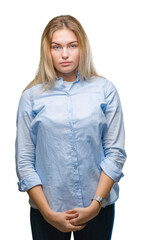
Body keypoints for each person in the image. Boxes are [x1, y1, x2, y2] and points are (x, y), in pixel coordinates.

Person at [15, 15, 127, 240]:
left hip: (98, 208)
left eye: (72, 46)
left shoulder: (105, 90)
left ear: (82, 48)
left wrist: (96, 205)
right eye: (56, 47)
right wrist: (48, 214)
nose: (64, 54)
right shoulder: (31, 97)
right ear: (47, 51)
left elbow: (115, 153)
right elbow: (25, 161)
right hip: (48, 210)